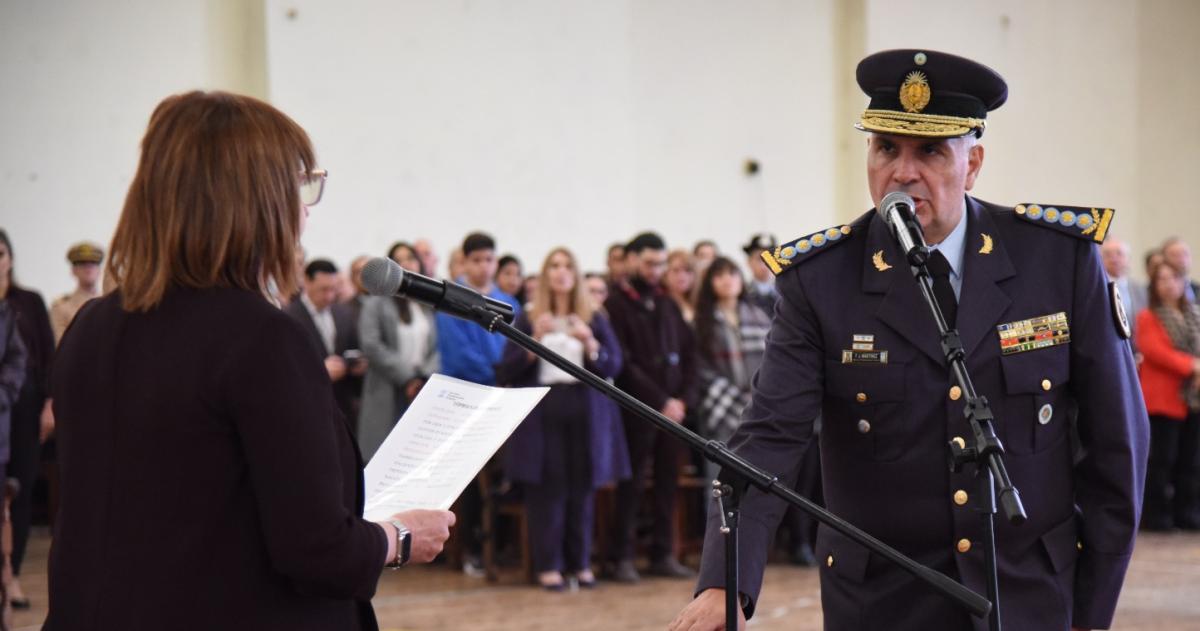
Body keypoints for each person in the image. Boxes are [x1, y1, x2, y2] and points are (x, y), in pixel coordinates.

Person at [671, 49, 1147, 631]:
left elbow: (1117, 447)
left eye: (929, 151)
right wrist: (727, 580)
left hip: (1030, 592)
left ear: (972, 164)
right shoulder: (819, 281)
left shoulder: (1058, 260)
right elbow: (770, 437)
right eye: (885, 148)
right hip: (882, 602)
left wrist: (1091, 610)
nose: (902, 171)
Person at [45, 91, 455, 630]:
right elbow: (315, 550)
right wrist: (399, 538)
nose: (306, 208)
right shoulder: (261, 339)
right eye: (299, 184)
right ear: (254, 199)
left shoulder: (92, 327)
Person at [495, 247, 629, 591]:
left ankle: (580, 563)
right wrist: (533, 340)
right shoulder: (527, 316)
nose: (560, 272)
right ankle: (549, 565)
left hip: (584, 409)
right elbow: (506, 369)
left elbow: (613, 365)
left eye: (567, 265)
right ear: (544, 273)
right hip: (543, 411)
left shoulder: (593, 316)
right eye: (553, 265)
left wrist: (590, 342)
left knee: (582, 488)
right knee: (548, 489)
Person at [605, 231, 696, 582]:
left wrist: (683, 400)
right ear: (630, 260)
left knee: (667, 484)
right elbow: (625, 363)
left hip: (674, 412)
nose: (655, 270)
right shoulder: (616, 305)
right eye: (648, 263)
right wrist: (660, 402)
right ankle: (622, 556)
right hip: (637, 410)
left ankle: (663, 553)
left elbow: (690, 356)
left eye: (661, 263)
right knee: (632, 485)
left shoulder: (667, 303)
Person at [435, 231, 520, 575]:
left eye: (490, 260)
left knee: (505, 477)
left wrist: (507, 373)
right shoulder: (451, 300)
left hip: (503, 399)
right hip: (467, 399)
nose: (484, 267)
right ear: (465, 262)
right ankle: (470, 547)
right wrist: (499, 373)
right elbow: (458, 355)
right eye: (477, 260)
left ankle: (502, 545)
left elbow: (516, 346)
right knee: (470, 480)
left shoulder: (506, 301)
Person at [0, 229, 55, 610]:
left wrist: (51, 405)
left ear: (11, 258)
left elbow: (50, 356)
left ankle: (13, 576)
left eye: (1, 252)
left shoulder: (30, 301)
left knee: (19, 491)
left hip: (27, 405)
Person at [357, 242, 439, 460]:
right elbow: (371, 345)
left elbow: (438, 346)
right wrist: (407, 377)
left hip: (421, 388)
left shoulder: (427, 303)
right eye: (399, 260)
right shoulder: (376, 302)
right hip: (388, 387)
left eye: (410, 258)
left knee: (416, 456)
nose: (406, 264)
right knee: (384, 456)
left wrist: (422, 376)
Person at [1135, 262, 1200, 530]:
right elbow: (1155, 351)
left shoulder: (1194, 314)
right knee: (1162, 461)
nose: (1168, 284)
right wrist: (1193, 366)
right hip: (1162, 399)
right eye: (1161, 279)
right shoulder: (1147, 316)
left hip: (1192, 399)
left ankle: (1187, 513)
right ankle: (1157, 516)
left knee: (1191, 461)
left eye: (1173, 278)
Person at [284, 259, 367, 424]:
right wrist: (320, 371)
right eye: (323, 289)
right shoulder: (289, 317)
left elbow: (353, 348)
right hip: (308, 406)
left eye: (333, 290)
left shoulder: (343, 313)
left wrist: (356, 365)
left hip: (342, 406)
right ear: (307, 282)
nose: (329, 296)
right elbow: (286, 367)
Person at [49, 242, 104, 344]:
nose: (88, 268)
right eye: (82, 263)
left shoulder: (111, 303)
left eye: (93, 263)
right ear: (73, 270)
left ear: (100, 270)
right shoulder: (61, 307)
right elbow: (60, 345)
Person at [1101, 238, 1148, 347]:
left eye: (1119, 254)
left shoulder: (1140, 289)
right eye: (1108, 255)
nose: (1114, 259)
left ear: (1128, 258)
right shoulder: (1097, 289)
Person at [741, 233, 778, 317]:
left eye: (771, 258)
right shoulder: (741, 292)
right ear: (749, 262)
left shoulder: (786, 293)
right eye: (760, 259)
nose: (766, 264)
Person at [663, 249, 698, 323]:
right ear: (666, 274)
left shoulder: (697, 304)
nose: (682, 276)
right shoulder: (661, 305)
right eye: (676, 270)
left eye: (687, 270)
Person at [1162, 237, 1199, 302]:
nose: (1182, 259)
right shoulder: (1154, 293)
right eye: (1175, 255)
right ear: (1164, 260)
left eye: (1185, 254)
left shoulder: (1197, 288)